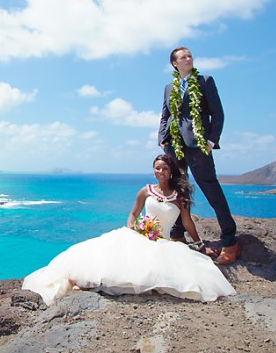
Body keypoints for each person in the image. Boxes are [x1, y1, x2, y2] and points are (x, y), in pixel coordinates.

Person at [21, 154, 235, 306]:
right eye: (157, 168)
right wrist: (134, 229)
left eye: (164, 169)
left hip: (164, 242)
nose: (160, 172)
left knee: (153, 275)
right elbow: (133, 214)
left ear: (171, 172)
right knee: (112, 263)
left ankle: (93, 286)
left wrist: (198, 245)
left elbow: (187, 223)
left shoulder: (179, 196)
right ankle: (84, 283)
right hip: (138, 235)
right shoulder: (146, 190)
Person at [158, 46, 240, 264]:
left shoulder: (205, 81)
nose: (188, 59)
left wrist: (211, 140)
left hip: (198, 145)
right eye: (183, 57)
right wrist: (162, 138)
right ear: (174, 63)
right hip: (174, 145)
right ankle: (177, 236)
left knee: (210, 188)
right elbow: (165, 115)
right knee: (178, 189)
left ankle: (230, 242)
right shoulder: (169, 88)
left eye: (190, 56)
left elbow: (218, 112)